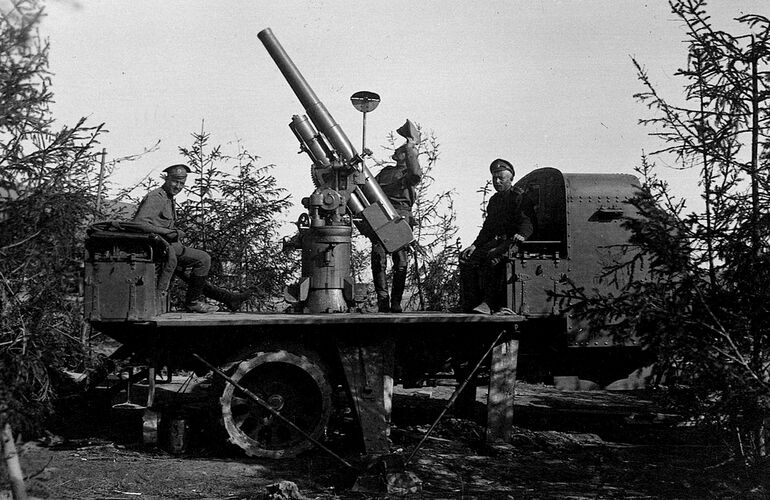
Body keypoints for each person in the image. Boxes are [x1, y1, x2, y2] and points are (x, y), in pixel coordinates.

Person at [133, 164, 251, 313]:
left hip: (167, 247)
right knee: (203, 259)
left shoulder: (168, 198)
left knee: (189, 274)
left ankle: (229, 298)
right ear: (166, 178)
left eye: (181, 183)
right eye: (175, 181)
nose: (178, 186)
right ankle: (192, 303)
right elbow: (138, 223)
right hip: (158, 248)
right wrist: (167, 232)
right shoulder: (157, 197)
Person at [459, 158, 533, 315]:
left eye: (501, 178)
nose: (497, 181)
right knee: (467, 258)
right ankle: (470, 303)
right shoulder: (494, 201)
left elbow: (528, 221)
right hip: (500, 241)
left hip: (514, 242)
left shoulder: (519, 197)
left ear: (510, 179)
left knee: (493, 257)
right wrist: (475, 245)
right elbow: (488, 229)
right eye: (494, 178)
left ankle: (489, 303)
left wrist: (522, 235)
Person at [371, 119, 423, 313]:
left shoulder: (408, 174)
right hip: (381, 215)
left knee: (400, 262)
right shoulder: (385, 172)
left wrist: (411, 148)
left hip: (400, 217)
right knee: (378, 259)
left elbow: (416, 174)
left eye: (403, 152)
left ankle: (396, 302)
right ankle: (383, 300)